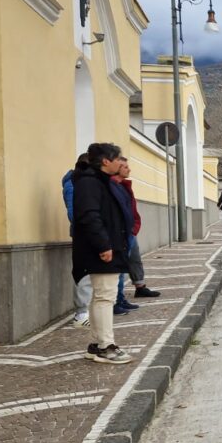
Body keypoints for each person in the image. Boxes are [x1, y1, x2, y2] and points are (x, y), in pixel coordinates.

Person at [72, 143, 132, 364]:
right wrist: (103, 246)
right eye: (117, 159)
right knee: (106, 297)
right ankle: (106, 346)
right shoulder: (90, 183)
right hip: (101, 250)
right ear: (106, 161)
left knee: (101, 296)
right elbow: (90, 216)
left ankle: (97, 344)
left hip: (107, 246)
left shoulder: (99, 181)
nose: (120, 162)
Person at [111, 157, 160, 304]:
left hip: (129, 230)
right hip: (121, 232)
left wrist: (134, 227)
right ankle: (118, 299)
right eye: (125, 167)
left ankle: (140, 287)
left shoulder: (124, 185)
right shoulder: (111, 186)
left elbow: (130, 209)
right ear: (117, 168)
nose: (129, 169)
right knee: (120, 265)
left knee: (135, 259)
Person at [62, 156, 92, 328]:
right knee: (83, 273)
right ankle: (81, 314)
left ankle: (86, 311)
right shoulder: (72, 184)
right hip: (83, 234)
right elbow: (74, 212)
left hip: (89, 232)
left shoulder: (80, 183)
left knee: (90, 274)